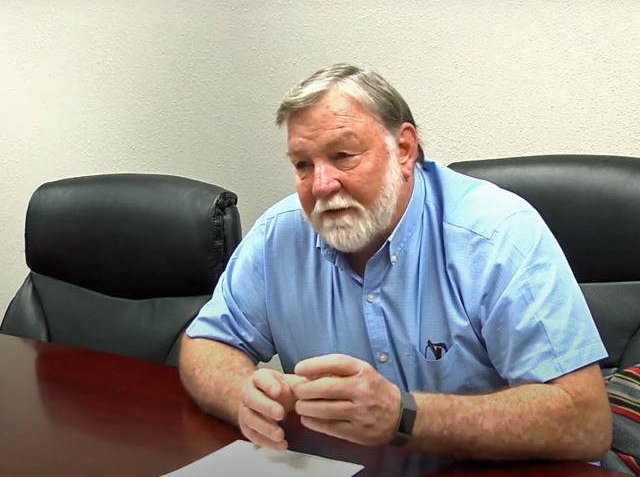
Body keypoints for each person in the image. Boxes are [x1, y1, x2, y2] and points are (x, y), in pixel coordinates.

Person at [179, 63, 612, 461]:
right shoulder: (281, 233)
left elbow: (585, 420)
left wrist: (404, 416)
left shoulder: (495, 235)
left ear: (403, 149)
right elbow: (206, 344)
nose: (322, 185)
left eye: (343, 156)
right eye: (303, 165)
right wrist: (242, 395)